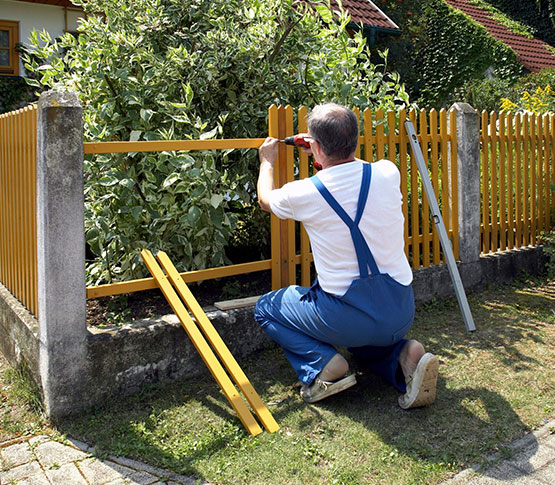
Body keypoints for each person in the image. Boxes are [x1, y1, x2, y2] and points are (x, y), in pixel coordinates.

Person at [253, 103, 439, 409]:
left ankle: (326, 367)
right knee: (364, 343)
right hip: (400, 310)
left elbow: (265, 199)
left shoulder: (306, 192)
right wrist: (322, 150)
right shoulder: (387, 172)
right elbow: (353, 171)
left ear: (314, 146)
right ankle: (405, 355)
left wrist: (267, 162)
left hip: (348, 317)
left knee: (266, 307)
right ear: (354, 138)